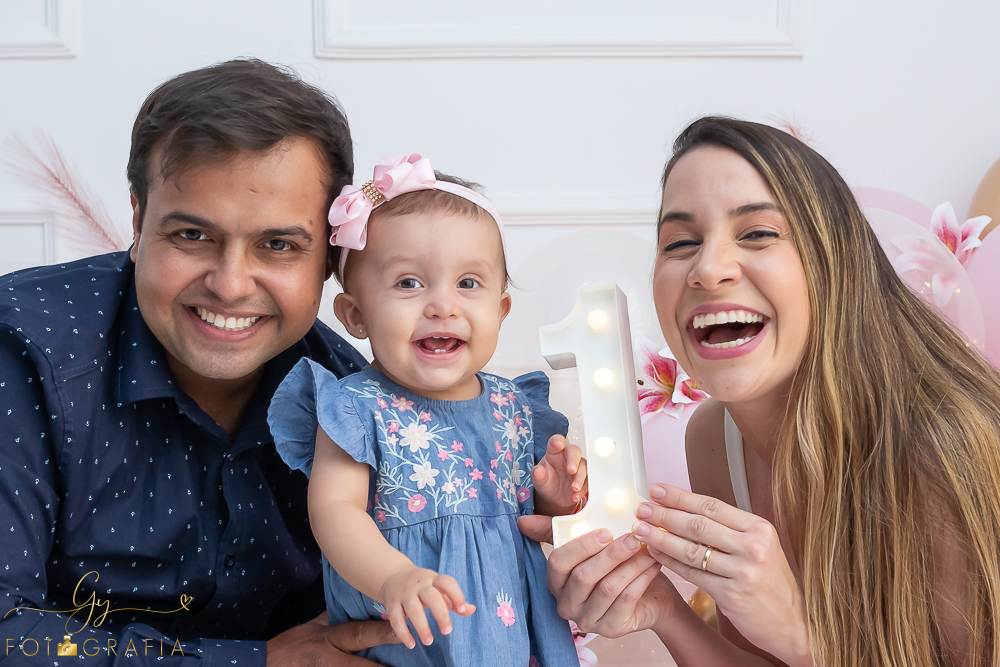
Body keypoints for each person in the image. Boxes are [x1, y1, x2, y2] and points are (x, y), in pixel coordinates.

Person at [519, 117, 1000, 667]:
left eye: (758, 233)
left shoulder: (948, 448)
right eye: (680, 242)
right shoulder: (715, 440)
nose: (708, 268)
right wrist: (665, 612)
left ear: (833, 262)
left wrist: (798, 632)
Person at [0, 59, 401, 665]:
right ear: (138, 220)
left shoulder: (357, 398)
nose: (232, 284)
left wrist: (566, 585)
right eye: (192, 235)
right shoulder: (24, 355)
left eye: (278, 245)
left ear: (330, 257)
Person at [267, 154, 586, 666]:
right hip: (412, 629)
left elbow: (530, 514)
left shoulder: (513, 405)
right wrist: (392, 575)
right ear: (356, 314)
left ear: (500, 311)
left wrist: (553, 495)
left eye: (468, 283)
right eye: (409, 283)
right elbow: (335, 510)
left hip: (509, 627)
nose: (443, 305)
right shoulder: (356, 408)